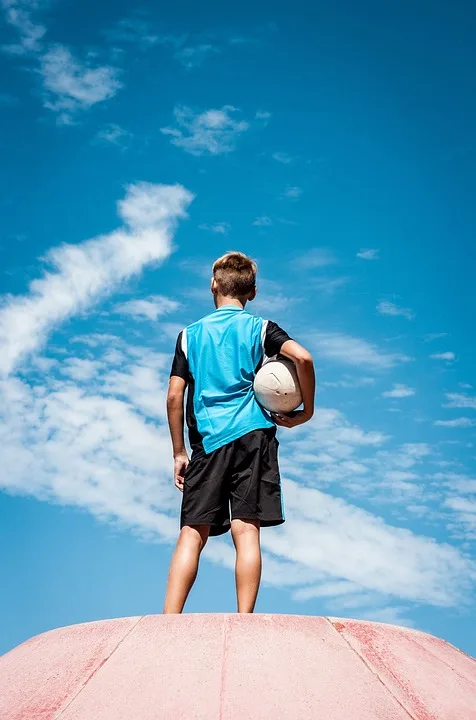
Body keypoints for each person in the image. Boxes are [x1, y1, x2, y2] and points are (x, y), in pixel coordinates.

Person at [163, 251, 315, 613]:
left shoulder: (189, 335)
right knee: (246, 531)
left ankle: (167, 620)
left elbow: (174, 395)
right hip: (253, 437)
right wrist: (305, 411)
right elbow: (304, 359)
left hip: (208, 443)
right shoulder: (261, 328)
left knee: (192, 532)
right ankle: (244, 619)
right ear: (253, 292)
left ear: (213, 284)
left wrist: (179, 453)